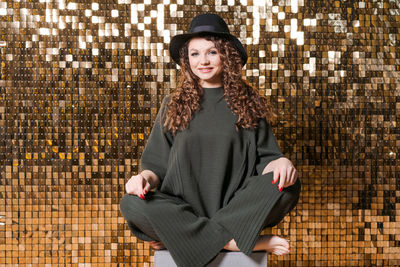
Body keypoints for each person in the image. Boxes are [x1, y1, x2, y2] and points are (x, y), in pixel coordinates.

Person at [120, 13, 301, 267]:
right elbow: (156, 168)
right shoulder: (172, 105)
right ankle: (231, 240)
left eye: (211, 52)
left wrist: (281, 161)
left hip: (235, 209)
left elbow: (267, 162)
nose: (202, 61)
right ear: (187, 60)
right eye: (194, 54)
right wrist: (141, 180)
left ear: (225, 56)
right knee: (131, 204)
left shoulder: (249, 104)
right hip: (181, 208)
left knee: (289, 185)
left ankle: (189, 236)